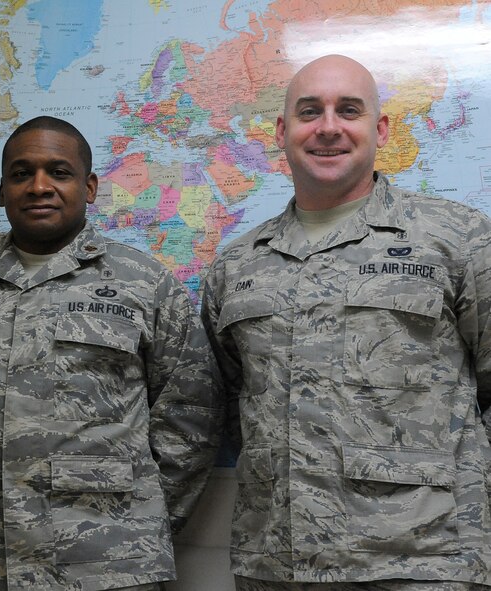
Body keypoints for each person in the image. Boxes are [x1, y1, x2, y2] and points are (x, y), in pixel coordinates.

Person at [201, 54, 491, 590]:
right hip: (276, 564)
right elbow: (234, 396)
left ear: (378, 129)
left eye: (348, 110)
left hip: (423, 563)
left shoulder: (459, 239)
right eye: (310, 111)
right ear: (283, 131)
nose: (328, 127)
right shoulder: (237, 264)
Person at [0, 116, 221, 590]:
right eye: (21, 173)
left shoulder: (144, 284)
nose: (39, 186)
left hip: (108, 565)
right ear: (1, 190)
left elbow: (190, 418)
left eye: (59, 172)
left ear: (90, 186)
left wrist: (136, 522)